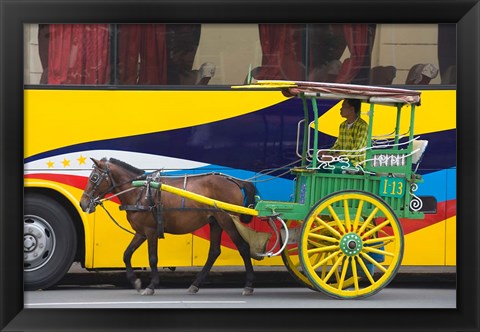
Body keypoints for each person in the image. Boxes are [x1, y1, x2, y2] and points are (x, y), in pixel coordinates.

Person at [320, 98, 368, 170]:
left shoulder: (362, 126)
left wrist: (338, 156)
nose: (340, 109)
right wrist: (327, 152)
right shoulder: (342, 125)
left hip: (356, 164)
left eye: (343, 106)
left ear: (351, 109)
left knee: (331, 169)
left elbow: (358, 150)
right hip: (341, 160)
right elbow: (338, 146)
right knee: (318, 166)